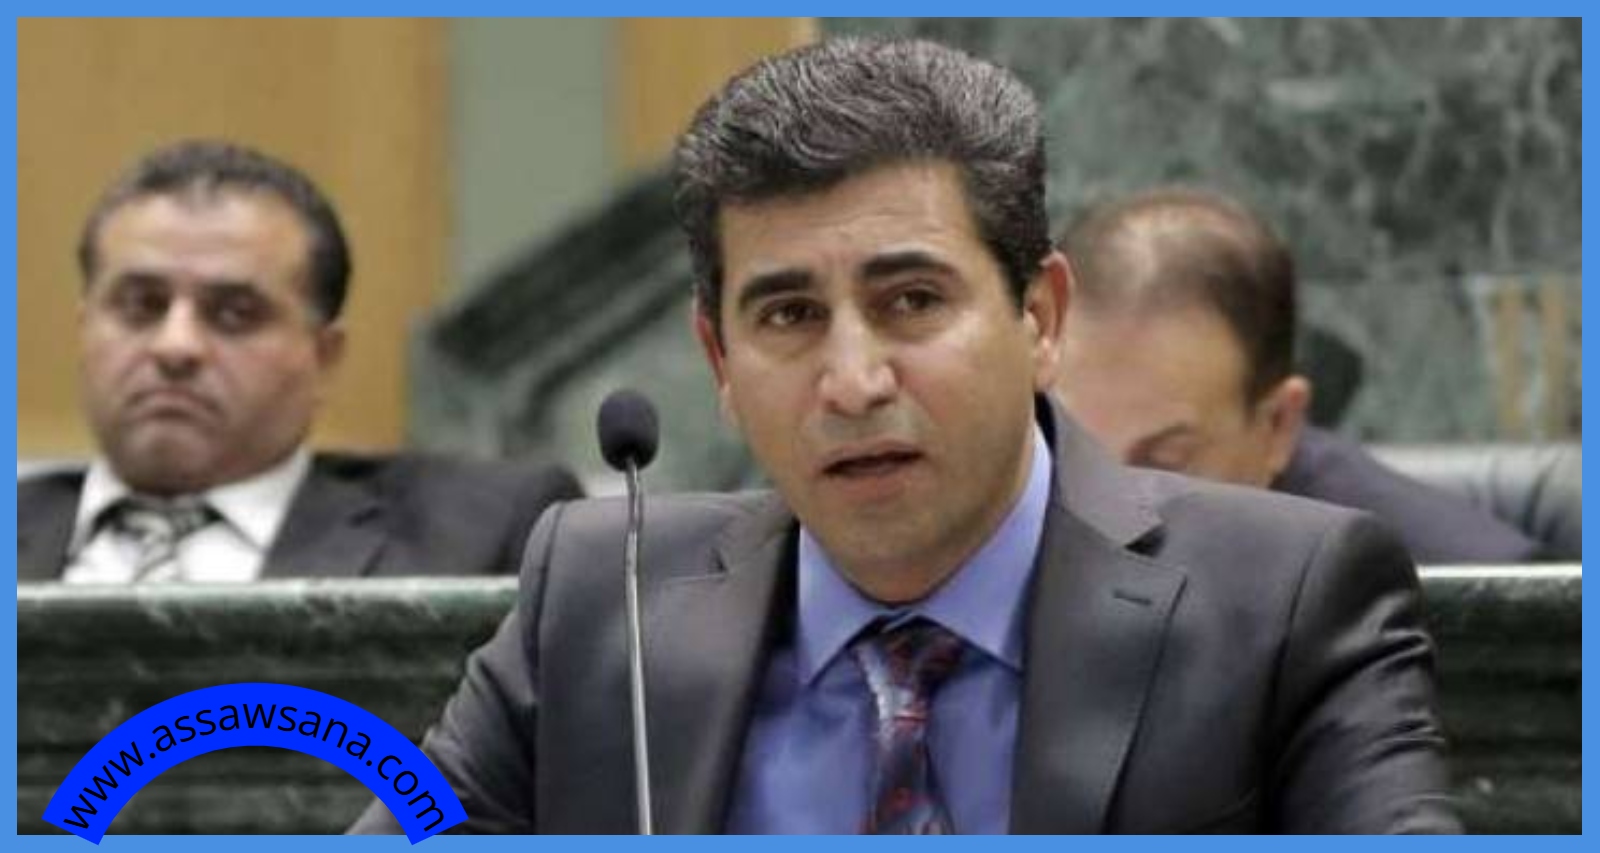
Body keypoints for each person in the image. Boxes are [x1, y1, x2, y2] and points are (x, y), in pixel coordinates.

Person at [350, 38, 1458, 834]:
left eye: (912, 301)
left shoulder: (1285, 600)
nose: (852, 381)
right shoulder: (605, 593)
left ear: (1041, 318)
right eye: (788, 315)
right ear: (720, 362)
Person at [17, 139, 582, 582]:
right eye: (141, 306)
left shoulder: (484, 534)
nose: (176, 346)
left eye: (234, 314)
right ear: (84, 329)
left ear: (323, 356)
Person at [1053, 187, 1542, 564]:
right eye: (1073, 450)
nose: (1105, 516)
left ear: (1278, 425)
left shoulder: (1471, 601)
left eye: (1165, 461)